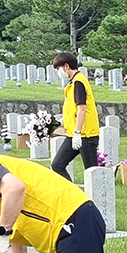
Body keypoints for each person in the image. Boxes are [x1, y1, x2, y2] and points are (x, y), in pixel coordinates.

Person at [50, 52, 99, 180]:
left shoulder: (79, 82)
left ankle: (97, 197)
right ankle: (73, 194)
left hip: (85, 134)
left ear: (66, 66)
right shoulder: (72, 83)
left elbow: (82, 109)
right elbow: (73, 109)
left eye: (58, 69)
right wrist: (62, 121)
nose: (58, 72)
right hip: (73, 133)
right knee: (57, 165)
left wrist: (77, 132)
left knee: (92, 172)